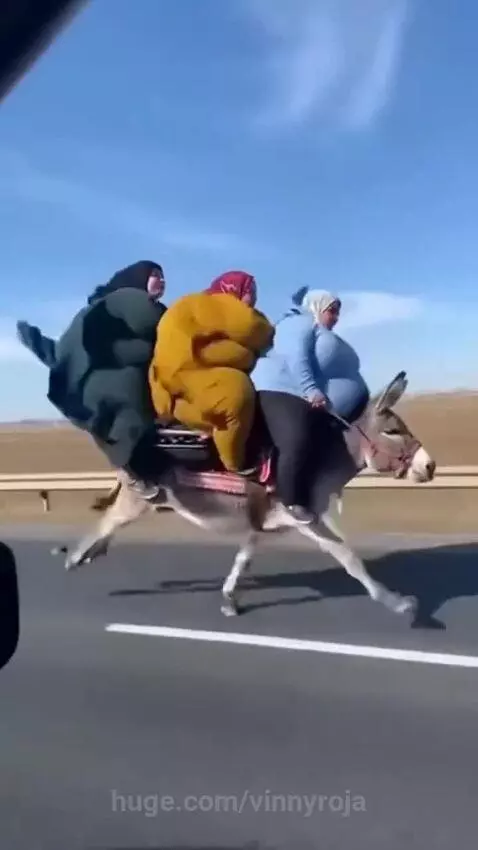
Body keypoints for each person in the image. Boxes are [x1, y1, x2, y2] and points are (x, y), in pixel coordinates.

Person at [17, 260, 170, 497]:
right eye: (154, 275)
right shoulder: (111, 309)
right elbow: (72, 352)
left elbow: (61, 354)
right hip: (110, 398)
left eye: (162, 276)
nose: (161, 280)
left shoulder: (132, 317)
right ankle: (134, 473)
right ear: (138, 280)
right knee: (130, 411)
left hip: (131, 397)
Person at [251, 286, 370, 524]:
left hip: (298, 393)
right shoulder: (298, 323)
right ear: (317, 307)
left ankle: (309, 492)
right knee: (296, 440)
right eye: (331, 311)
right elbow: (297, 357)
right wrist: (311, 390)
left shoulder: (314, 327)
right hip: (278, 388)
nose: (335, 317)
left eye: (337, 312)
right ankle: (290, 501)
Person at [148, 270, 275, 474]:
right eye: (251, 291)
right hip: (189, 382)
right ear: (235, 288)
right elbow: (252, 327)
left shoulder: (191, 306)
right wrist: (251, 352)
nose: (254, 299)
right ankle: (235, 465)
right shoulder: (210, 304)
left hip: (174, 397)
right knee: (235, 394)